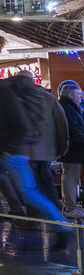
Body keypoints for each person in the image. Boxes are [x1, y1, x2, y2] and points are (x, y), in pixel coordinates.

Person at [0, 63, 70, 251]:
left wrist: (9, 148)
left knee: (29, 193)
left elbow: (21, 124)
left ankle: (62, 227)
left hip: (11, 152)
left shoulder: (4, 95)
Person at [11, 70, 68, 213]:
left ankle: (34, 216)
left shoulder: (16, 99)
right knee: (45, 181)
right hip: (45, 150)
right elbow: (62, 123)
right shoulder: (48, 98)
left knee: (29, 184)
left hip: (24, 151)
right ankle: (55, 216)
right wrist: (62, 146)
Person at [57, 80, 84, 218]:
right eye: (79, 95)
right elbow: (75, 130)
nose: (81, 97)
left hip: (71, 149)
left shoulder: (67, 106)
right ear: (71, 96)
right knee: (71, 178)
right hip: (72, 149)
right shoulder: (69, 109)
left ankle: (71, 206)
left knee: (70, 177)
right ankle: (71, 208)